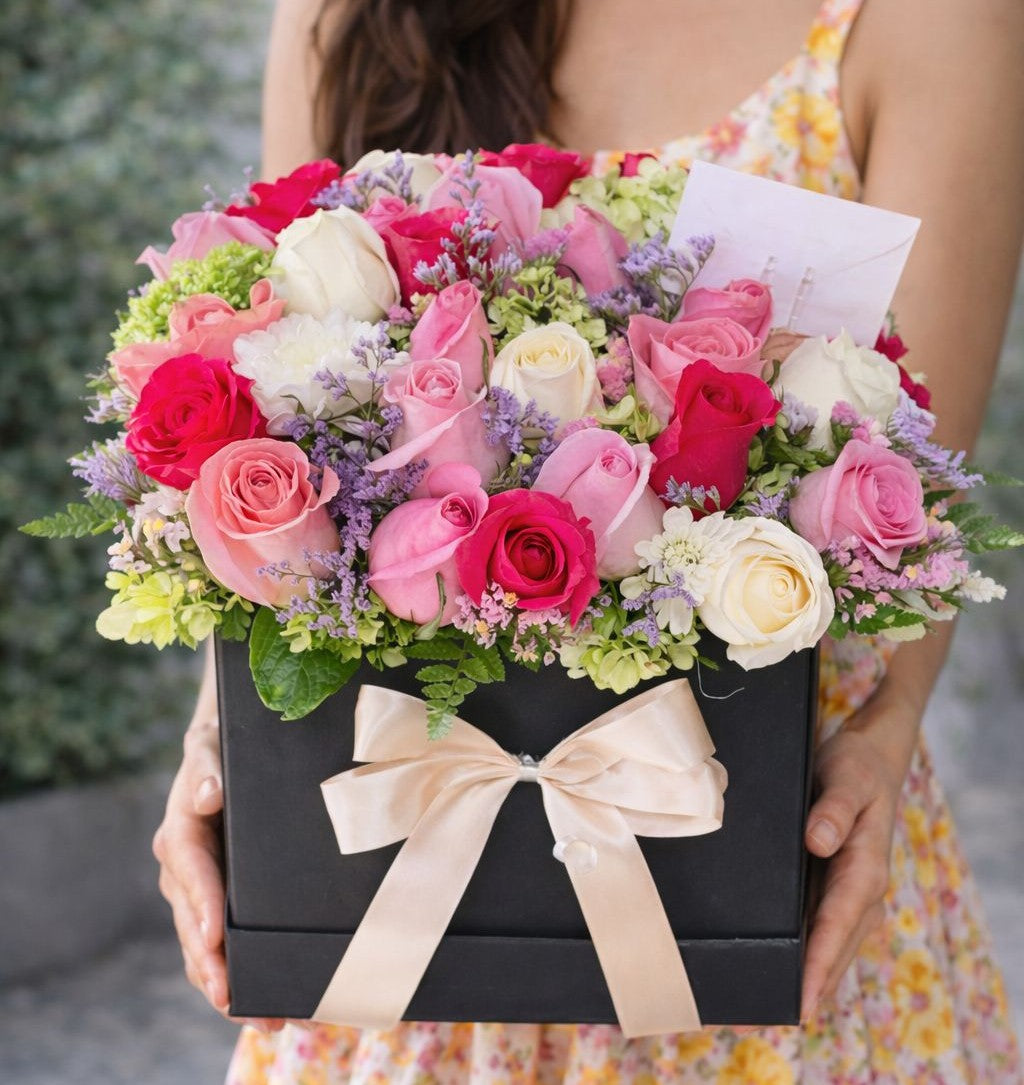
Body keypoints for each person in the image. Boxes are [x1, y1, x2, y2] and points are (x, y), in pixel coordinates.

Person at [152, 0, 1024, 1080]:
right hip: (404, 885)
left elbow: (918, 496)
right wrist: (219, 742)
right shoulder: (349, 15)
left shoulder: (928, 21)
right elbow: (270, 417)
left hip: (750, 846)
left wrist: (881, 747)